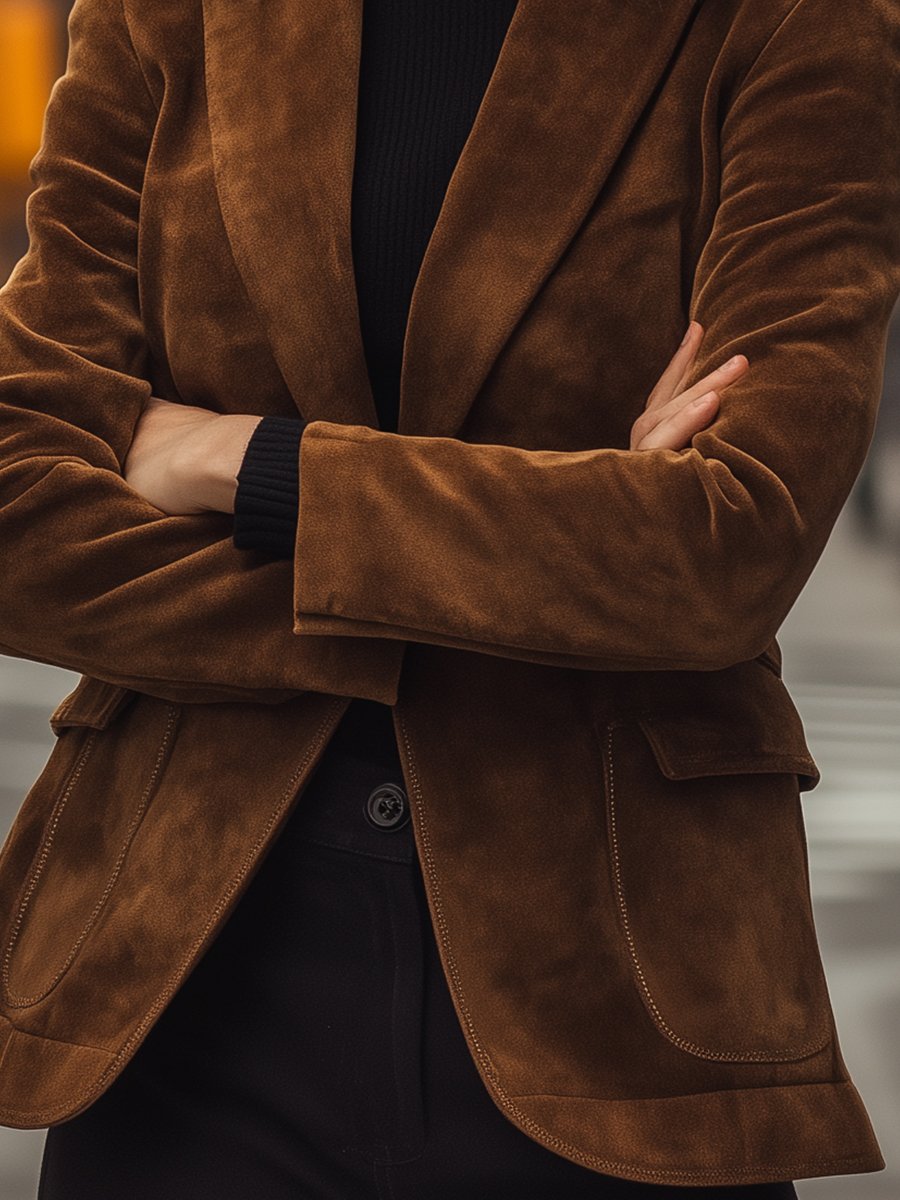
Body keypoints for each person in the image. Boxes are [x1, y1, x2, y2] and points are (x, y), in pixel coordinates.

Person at [0, 0, 895, 1195]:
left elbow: (724, 549)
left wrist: (244, 464)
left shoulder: (795, 21)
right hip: (180, 989)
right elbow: (18, 511)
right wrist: (560, 537)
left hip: (620, 991)